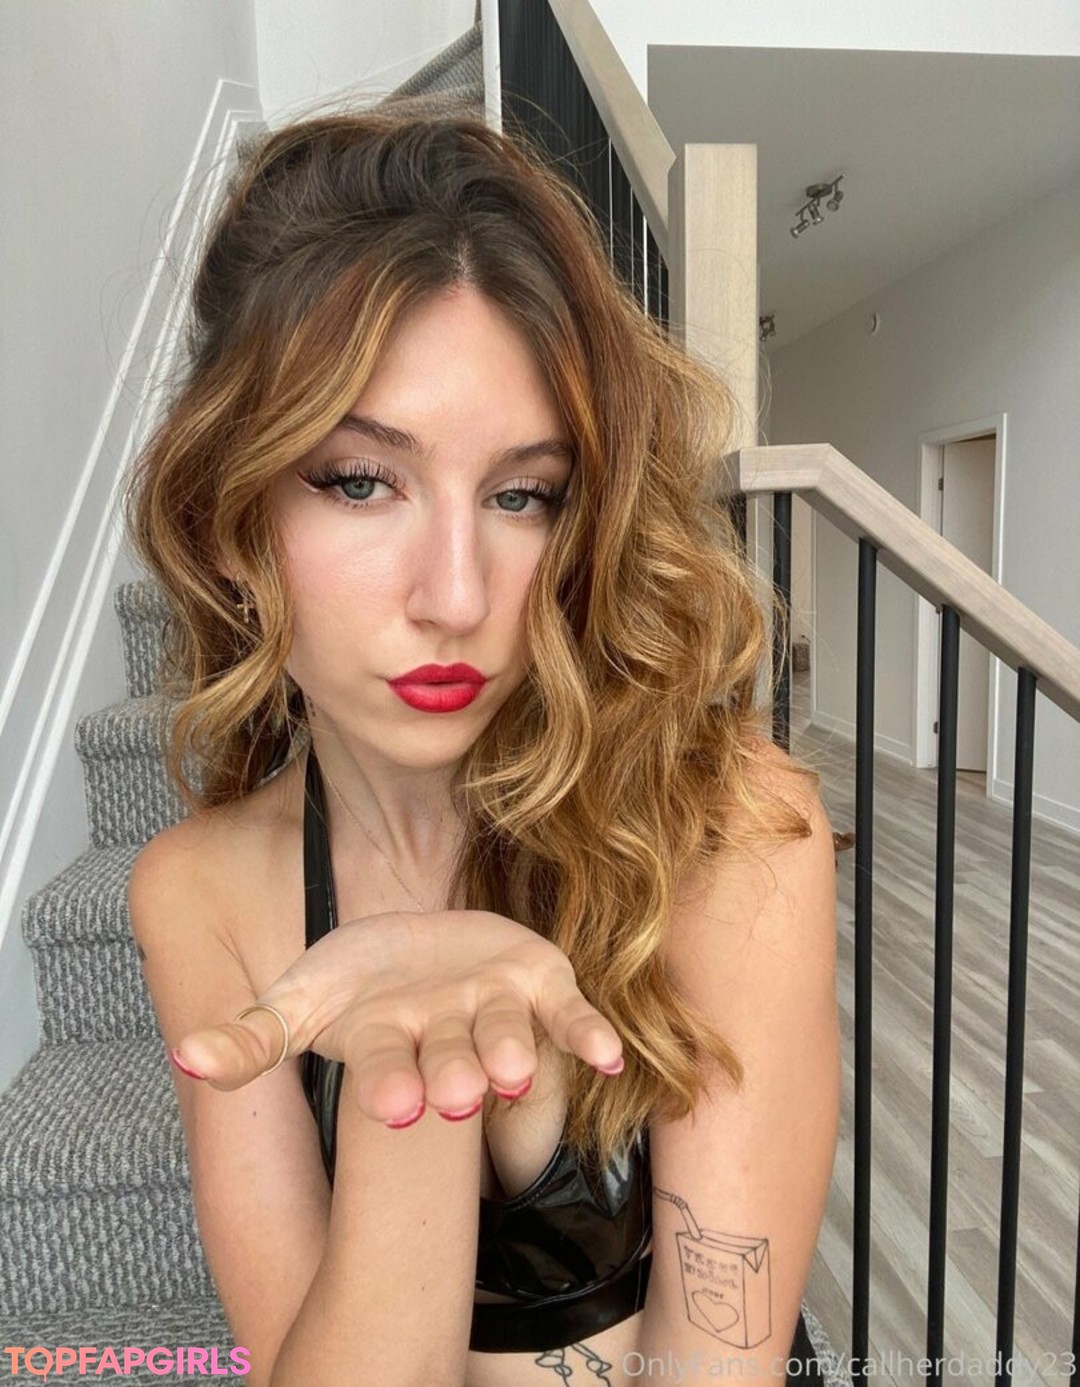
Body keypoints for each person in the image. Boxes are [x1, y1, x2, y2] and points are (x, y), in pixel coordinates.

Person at [123, 100, 840, 1387]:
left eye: (523, 494)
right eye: (360, 480)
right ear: (228, 515)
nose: (455, 594)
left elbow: (717, 1365)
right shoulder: (201, 893)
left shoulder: (729, 828)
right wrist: (420, 1098)